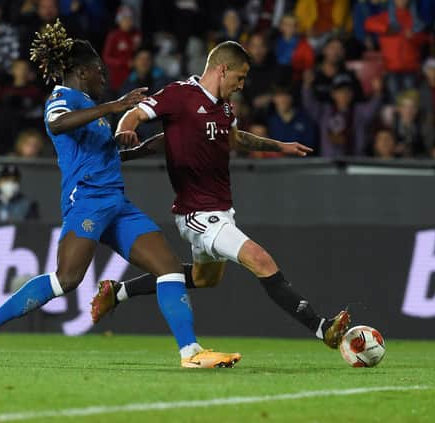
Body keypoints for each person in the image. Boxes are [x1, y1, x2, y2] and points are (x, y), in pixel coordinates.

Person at [0, 20, 241, 370]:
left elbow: (111, 156)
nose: (104, 77)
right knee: (67, 279)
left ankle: (191, 352)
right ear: (81, 71)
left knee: (168, 267)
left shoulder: (92, 110)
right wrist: (115, 106)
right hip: (86, 200)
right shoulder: (64, 96)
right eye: (99, 71)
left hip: (117, 204)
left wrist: (158, 143)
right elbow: (57, 124)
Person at [91, 41, 350, 350]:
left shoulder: (225, 107)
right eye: (239, 78)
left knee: (204, 279)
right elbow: (134, 115)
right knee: (261, 260)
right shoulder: (180, 94)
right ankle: (323, 328)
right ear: (222, 69)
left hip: (221, 208)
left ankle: (116, 292)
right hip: (197, 212)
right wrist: (124, 133)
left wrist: (279, 146)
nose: (241, 86)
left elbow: (235, 139)